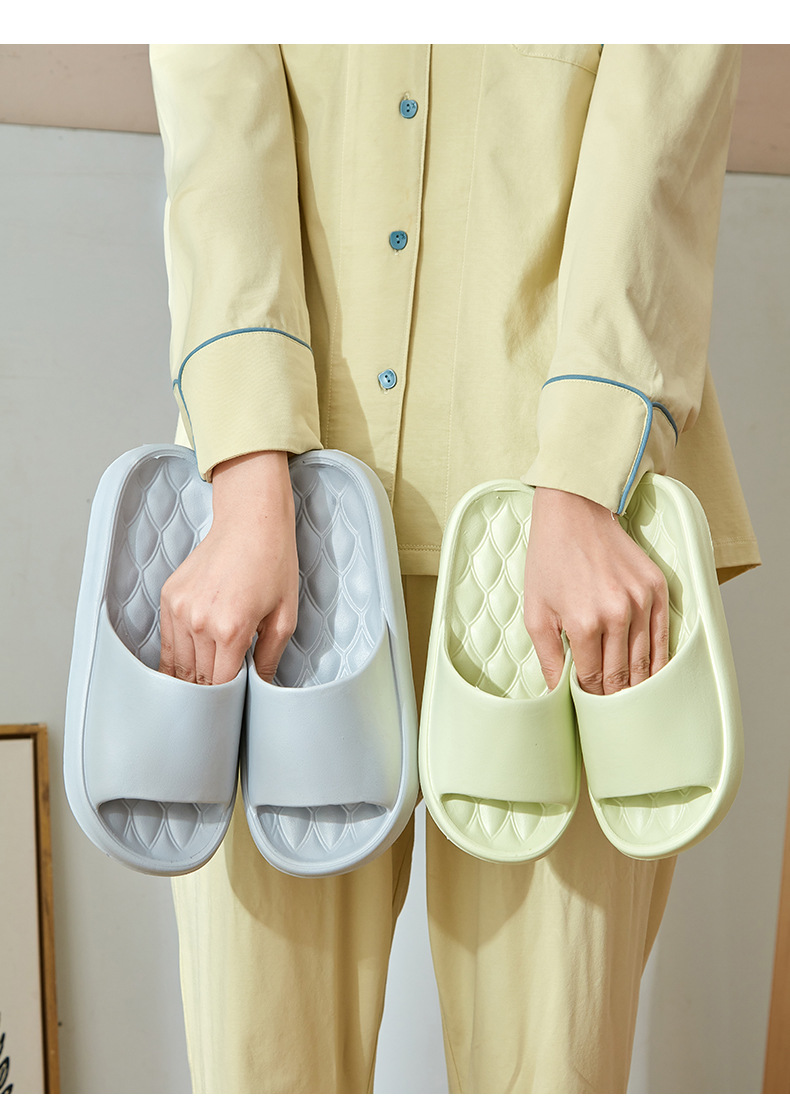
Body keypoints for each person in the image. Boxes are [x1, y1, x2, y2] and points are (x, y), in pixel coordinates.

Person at [148, 45, 759, 1094]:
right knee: (262, 1067)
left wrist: (587, 477)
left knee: (552, 1071)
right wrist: (248, 478)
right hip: (276, 535)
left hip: (569, 538)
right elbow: (216, 116)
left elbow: (662, 112)